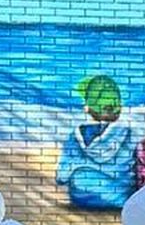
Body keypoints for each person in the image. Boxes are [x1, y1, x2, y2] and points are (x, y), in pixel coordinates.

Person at [56, 74, 136, 210]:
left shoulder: (75, 137)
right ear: (118, 108)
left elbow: (62, 176)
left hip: (81, 197)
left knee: (79, 177)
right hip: (119, 197)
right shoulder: (128, 135)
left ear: (87, 108)